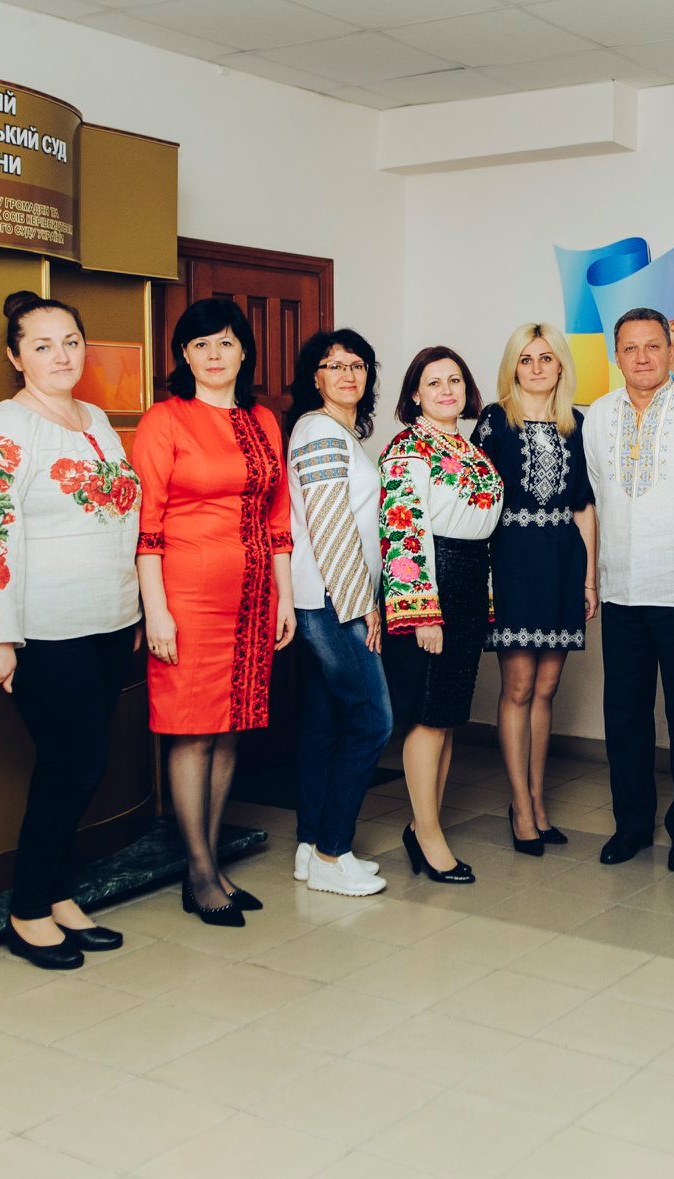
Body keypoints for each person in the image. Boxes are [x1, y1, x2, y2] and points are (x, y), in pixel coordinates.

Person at [0, 290, 139, 969]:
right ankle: (29, 908)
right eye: (42, 345)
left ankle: (58, 895)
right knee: (72, 763)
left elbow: (117, 520)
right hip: (44, 629)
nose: (61, 356)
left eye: (70, 341)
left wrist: (130, 609)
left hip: (106, 621)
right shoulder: (5, 427)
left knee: (85, 764)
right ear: (15, 357)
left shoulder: (95, 419)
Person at [133, 298, 294, 927]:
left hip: (252, 594)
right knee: (192, 729)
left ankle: (213, 861)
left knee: (230, 727)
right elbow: (146, 525)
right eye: (200, 344)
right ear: (184, 355)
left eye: (225, 342)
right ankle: (198, 872)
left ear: (244, 350)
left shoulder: (263, 419)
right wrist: (157, 612)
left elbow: (278, 518)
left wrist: (282, 596)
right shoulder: (165, 420)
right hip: (187, 597)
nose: (214, 354)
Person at [581, 308, 674, 871]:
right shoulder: (598, 416)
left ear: (670, 351)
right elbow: (595, 501)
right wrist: (593, 579)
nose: (641, 357)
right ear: (616, 356)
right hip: (620, 589)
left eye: (652, 346)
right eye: (630, 348)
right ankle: (632, 826)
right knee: (624, 716)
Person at [379, 346, 504, 885]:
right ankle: (429, 838)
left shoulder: (469, 448)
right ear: (415, 394)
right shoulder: (408, 448)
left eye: (455, 380)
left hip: (469, 582)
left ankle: (421, 825)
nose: (447, 390)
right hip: (433, 585)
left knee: (448, 715)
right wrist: (422, 612)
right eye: (434, 383)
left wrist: (484, 596)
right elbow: (403, 531)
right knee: (428, 716)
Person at [471, 324, 596, 856]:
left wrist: (590, 579)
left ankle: (539, 803)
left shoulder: (576, 423)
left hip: (564, 561)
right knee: (519, 686)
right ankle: (519, 806)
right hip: (512, 561)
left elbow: (584, 505)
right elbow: (473, 499)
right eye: (526, 359)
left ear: (561, 365)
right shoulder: (495, 420)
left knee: (547, 687)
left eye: (546, 358)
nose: (537, 367)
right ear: (513, 367)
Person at [285, 329, 390, 898]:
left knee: (325, 723)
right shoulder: (320, 430)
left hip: (329, 594)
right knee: (372, 720)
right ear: (316, 377)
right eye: (334, 365)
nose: (347, 374)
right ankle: (332, 852)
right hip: (333, 597)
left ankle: (310, 845)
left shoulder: (335, 432)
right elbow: (330, 527)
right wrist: (361, 605)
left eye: (357, 365)